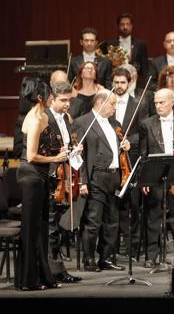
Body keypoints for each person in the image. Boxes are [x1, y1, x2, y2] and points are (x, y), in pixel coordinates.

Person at [16, 76, 67, 291]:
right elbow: (32, 155)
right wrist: (56, 159)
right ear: (40, 97)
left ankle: (43, 276)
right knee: (32, 229)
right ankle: (29, 281)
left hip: (41, 176)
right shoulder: (35, 119)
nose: (52, 98)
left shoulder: (43, 115)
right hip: (31, 177)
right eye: (49, 95)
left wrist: (63, 152)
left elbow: (46, 148)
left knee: (41, 228)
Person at [73, 89, 130, 272]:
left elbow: (117, 149)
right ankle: (89, 259)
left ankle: (106, 258)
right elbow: (77, 156)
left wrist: (125, 146)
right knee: (93, 220)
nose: (115, 107)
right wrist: (82, 181)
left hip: (114, 177)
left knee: (112, 221)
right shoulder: (83, 123)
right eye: (112, 104)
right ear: (100, 103)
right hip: (96, 176)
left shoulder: (116, 124)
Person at [138, 88, 174, 267]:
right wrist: (143, 179)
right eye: (156, 102)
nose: (158, 105)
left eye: (162, 102)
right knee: (153, 216)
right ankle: (151, 256)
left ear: (172, 102)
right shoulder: (146, 124)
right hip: (155, 174)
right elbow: (143, 153)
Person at [110, 67, 153, 260]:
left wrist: (130, 141)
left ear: (129, 83)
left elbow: (144, 132)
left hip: (131, 159)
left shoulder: (140, 103)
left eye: (122, 83)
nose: (119, 86)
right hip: (111, 160)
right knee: (113, 206)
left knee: (133, 206)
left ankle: (133, 248)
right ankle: (112, 249)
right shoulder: (106, 102)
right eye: (116, 82)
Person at [45, 81, 83, 284]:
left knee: (57, 228)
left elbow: (66, 146)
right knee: (51, 228)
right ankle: (52, 271)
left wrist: (75, 150)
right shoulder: (46, 118)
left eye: (69, 100)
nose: (67, 104)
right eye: (63, 100)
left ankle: (58, 269)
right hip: (51, 178)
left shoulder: (66, 119)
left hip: (63, 179)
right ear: (52, 98)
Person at [101, 13, 149, 83]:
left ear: (132, 26)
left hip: (135, 82)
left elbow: (145, 68)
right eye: (122, 24)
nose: (125, 27)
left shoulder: (140, 44)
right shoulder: (109, 44)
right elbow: (105, 66)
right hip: (115, 81)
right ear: (118, 26)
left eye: (128, 24)